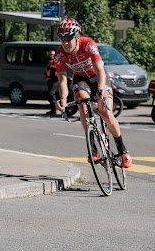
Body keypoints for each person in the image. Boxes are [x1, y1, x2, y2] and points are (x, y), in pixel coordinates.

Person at [54, 18, 132, 168]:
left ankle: (122, 150)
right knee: (81, 102)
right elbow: (63, 80)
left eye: (69, 38)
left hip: (98, 77)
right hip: (80, 79)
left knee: (105, 112)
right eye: (62, 39)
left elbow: (100, 70)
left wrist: (101, 89)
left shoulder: (88, 44)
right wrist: (63, 99)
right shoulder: (59, 54)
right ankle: (93, 147)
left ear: (77, 37)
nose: (65, 43)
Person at [45, 49, 59, 114]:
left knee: (52, 93)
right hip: (49, 80)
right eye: (50, 54)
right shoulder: (49, 62)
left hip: (55, 80)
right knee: (49, 95)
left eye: (53, 54)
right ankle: (52, 109)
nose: (52, 56)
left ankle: (55, 108)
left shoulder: (56, 62)